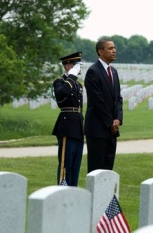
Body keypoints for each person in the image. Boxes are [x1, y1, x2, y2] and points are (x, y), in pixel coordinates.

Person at [84, 39, 123, 173]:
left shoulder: (114, 72)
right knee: (96, 169)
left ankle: (106, 195)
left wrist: (118, 119)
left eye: (114, 48)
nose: (114, 51)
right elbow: (97, 101)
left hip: (112, 129)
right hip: (98, 129)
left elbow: (118, 98)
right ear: (101, 52)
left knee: (108, 169)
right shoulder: (93, 72)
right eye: (110, 48)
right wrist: (109, 123)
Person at [52, 52, 84, 186]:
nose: (79, 69)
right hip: (66, 126)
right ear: (67, 66)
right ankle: (63, 188)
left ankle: (73, 189)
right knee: (66, 163)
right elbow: (62, 95)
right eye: (76, 65)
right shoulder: (59, 82)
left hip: (77, 126)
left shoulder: (78, 85)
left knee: (76, 164)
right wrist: (71, 76)